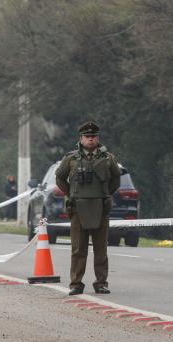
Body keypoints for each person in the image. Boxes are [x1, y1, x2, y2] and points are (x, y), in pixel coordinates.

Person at [55, 121, 121, 296]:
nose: (90, 139)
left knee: (101, 248)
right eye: (87, 136)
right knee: (78, 248)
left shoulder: (108, 158)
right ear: (81, 138)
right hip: (78, 208)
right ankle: (76, 283)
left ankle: (101, 283)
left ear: (97, 138)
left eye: (93, 136)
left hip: (100, 207)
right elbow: (60, 178)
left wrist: (106, 194)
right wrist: (71, 194)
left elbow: (116, 178)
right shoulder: (71, 158)